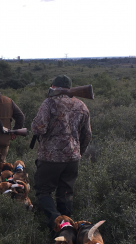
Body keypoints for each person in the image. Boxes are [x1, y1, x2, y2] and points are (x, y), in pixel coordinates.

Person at [31, 75, 92, 231]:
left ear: (53, 87)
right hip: (73, 159)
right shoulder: (81, 105)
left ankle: (58, 223)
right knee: (65, 194)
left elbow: (39, 128)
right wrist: (78, 152)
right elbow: (87, 135)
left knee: (43, 191)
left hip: (50, 158)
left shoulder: (49, 103)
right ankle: (68, 233)